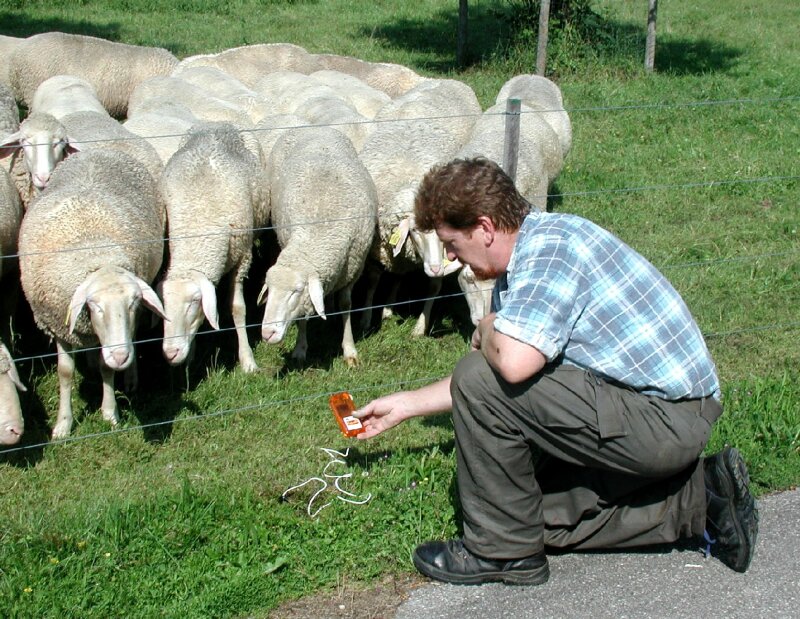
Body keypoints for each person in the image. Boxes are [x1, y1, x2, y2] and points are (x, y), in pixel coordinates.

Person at [353, 157, 759, 586]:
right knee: (529, 512)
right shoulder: (528, 256)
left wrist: (486, 327)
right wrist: (405, 405)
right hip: (650, 413)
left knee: (482, 376)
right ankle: (703, 499)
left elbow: (506, 366)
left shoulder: (552, 251)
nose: (451, 256)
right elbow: (504, 374)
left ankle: (502, 554)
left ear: (485, 228)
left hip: (668, 419)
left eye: (453, 243)